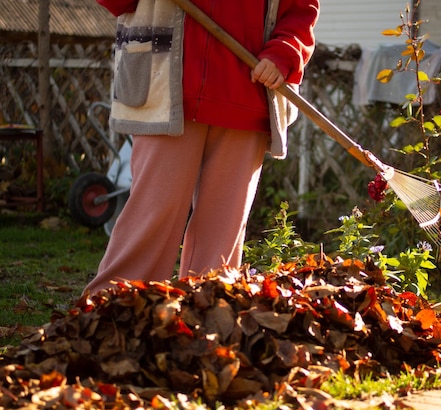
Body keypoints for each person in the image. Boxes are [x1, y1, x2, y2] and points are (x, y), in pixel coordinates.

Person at [84, 0, 320, 295]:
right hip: (164, 91)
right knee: (152, 215)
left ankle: (207, 319)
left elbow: (300, 10)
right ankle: (111, 310)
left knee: (221, 234)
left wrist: (284, 53)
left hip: (245, 96)